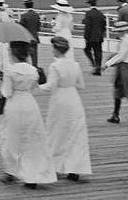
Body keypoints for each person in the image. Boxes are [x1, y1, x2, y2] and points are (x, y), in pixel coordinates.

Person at [0, 41, 57, 189]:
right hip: (30, 104)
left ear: (13, 53)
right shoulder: (33, 70)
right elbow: (35, 88)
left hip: (15, 104)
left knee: (10, 138)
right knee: (32, 139)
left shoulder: (10, 70)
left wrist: (1, 87)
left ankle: (11, 172)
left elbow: (7, 92)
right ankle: (33, 175)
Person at [38, 36, 91, 182]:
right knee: (75, 133)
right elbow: (81, 85)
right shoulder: (75, 64)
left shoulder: (55, 66)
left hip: (59, 100)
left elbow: (51, 85)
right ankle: (75, 168)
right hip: (73, 99)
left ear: (56, 49)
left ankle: (55, 166)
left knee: (57, 133)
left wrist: (35, 86)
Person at [102, 20, 128, 125]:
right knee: (118, 90)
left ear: (122, 31)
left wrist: (107, 64)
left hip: (126, 67)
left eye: (119, 31)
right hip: (124, 67)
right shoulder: (126, 40)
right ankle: (115, 114)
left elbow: (121, 56)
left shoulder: (127, 41)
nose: (117, 33)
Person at [82, 0, 106, 75]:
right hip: (99, 36)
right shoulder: (100, 13)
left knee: (87, 50)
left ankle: (94, 64)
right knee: (98, 52)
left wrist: (86, 36)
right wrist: (102, 33)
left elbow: (88, 26)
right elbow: (103, 25)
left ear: (89, 4)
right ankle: (98, 67)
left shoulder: (89, 13)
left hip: (91, 36)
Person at [18, 0, 41, 67]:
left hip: (26, 38)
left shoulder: (24, 16)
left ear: (25, 6)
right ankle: (35, 69)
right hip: (34, 38)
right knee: (34, 57)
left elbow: (21, 28)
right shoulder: (36, 15)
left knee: (25, 56)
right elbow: (38, 28)